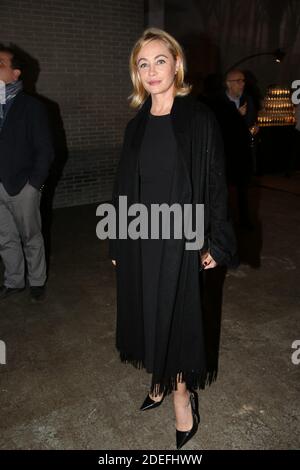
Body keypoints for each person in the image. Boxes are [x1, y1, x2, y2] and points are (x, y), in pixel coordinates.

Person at [109, 28, 237, 449]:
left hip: (182, 239)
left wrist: (217, 243)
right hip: (142, 237)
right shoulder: (136, 126)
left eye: (159, 60)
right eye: (142, 64)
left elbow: (216, 183)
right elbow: (123, 188)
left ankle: (182, 396)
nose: (151, 70)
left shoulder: (198, 119)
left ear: (176, 64)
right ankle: (158, 381)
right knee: (148, 313)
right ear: (136, 73)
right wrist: (117, 241)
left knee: (179, 319)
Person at [0, 45, 54, 302]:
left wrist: (34, 185)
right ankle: (14, 280)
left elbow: (46, 150)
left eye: (0, 64)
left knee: (31, 236)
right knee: (5, 237)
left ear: (15, 73)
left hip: (23, 186)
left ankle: (37, 281)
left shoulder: (32, 107)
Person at [211, 69, 258, 229]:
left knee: (243, 188)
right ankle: (224, 222)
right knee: (224, 190)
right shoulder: (218, 102)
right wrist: (236, 115)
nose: (242, 84)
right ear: (228, 84)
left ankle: (245, 221)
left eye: (243, 81)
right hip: (226, 152)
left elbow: (251, 120)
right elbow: (218, 127)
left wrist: (254, 127)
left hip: (243, 151)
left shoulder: (248, 100)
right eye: (238, 81)